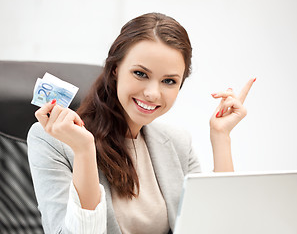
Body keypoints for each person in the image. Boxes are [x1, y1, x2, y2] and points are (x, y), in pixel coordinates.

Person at [27, 12, 255, 234]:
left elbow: (215, 226)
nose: (153, 93)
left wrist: (221, 137)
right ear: (115, 69)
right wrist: (85, 151)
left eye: (169, 81)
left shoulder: (178, 143)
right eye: (140, 74)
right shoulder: (50, 140)